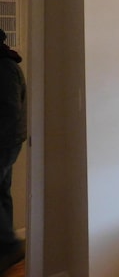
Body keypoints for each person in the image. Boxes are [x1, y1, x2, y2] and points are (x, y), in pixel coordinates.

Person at [0, 29, 26, 273]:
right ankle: (8, 247)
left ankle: (9, 247)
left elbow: (9, 112)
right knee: (2, 194)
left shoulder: (5, 66)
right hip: (8, 142)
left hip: (5, 142)